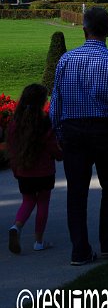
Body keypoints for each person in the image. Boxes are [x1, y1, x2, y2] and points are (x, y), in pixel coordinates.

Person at [50, 7, 108, 265]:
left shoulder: (65, 60)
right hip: (104, 131)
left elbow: (56, 103)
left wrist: (56, 133)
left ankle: (80, 251)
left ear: (83, 30)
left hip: (73, 132)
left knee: (76, 192)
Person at [7, 84, 62, 254]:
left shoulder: (15, 123)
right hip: (44, 171)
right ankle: (39, 241)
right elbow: (53, 147)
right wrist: (62, 155)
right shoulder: (45, 123)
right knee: (43, 203)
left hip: (24, 170)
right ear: (42, 102)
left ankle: (17, 226)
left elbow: (12, 148)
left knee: (28, 201)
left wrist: (16, 169)